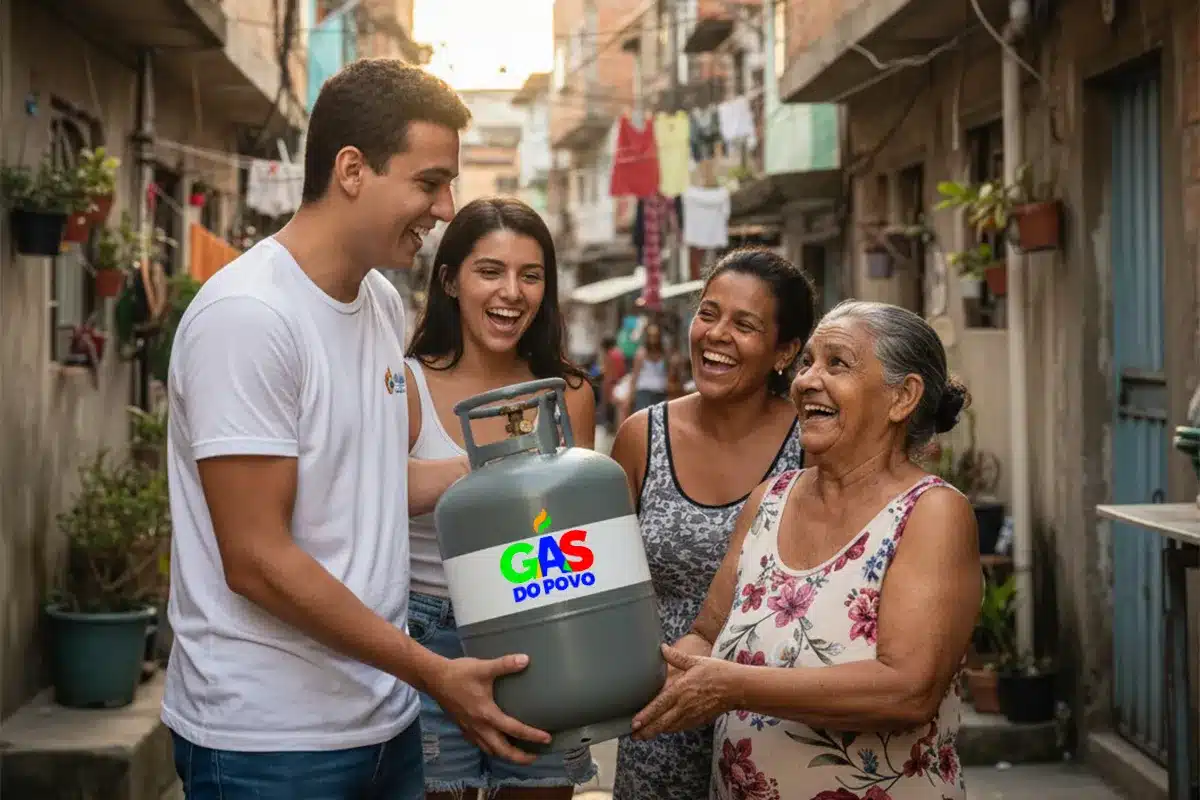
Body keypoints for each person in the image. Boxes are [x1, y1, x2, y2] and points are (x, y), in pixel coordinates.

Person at [162, 60, 551, 800]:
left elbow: (364, 484)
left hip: (383, 719)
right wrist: (432, 671)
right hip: (271, 740)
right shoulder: (248, 317)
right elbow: (256, 559)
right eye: (429, 181)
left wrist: (506, 466)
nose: (445, 207)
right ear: (351, 170)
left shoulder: (377, 300)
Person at [629, 300, 981, 800]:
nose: (806, 380)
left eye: (837, 363)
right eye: (808, 362)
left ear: (903, 398)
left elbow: (908, 690)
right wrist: (662, 677)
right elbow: (707, 635)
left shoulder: (931, 514)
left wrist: (733, 686)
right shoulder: (769, 500)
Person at [404, 196, 597, 799]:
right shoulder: (402, 380)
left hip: (540, 629)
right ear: (450, 281)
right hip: (426, 635)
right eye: (490, 270)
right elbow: (372, 498)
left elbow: (569, 533)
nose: (511, 292)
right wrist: (489, 471)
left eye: (530, 275)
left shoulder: (568, 392)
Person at [608, 248, 817, 800]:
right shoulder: (640, 436)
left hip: (776, 720)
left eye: (744, 324)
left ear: (785, 351)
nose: (716, 334)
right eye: (709, 313)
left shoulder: (813, 445)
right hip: (661, 719)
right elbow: (599, 580)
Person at [627, 321, 675, 414]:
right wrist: (631, 396)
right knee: (643, 420)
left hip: (660, 392)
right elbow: (635, 376)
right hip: (644, 392)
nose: (653, 339)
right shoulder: (641, 354)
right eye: (651, 336)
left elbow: (669, 373)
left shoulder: (664, 354)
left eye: (655, 336)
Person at [600, 335, 627, 432]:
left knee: (611, 409)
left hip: (611, 385)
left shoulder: (611, 355)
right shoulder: (619, 353)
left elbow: (609, 373)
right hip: (617, 384)